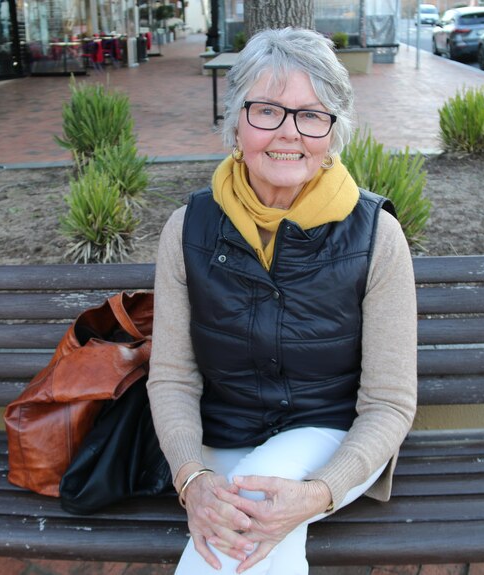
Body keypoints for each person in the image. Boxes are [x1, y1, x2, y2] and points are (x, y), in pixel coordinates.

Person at [147, 27, 417, 575]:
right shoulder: (187, 229)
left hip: (331, 440)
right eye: (267, 110)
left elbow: (389, 402)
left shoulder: (375, 236)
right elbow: (172, 377)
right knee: (254, 530)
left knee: (242, 536)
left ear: (333, 132)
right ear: (236, 124)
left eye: (312, 115)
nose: (288, 134)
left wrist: (319, 492)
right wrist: (192, 479)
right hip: (220, 442)